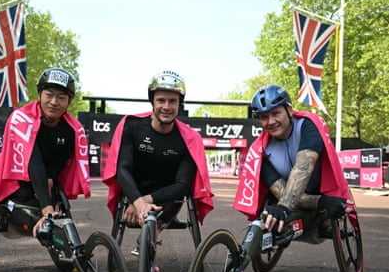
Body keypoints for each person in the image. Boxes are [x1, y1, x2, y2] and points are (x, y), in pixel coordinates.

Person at [0, 67, 90, 237]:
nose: (54, 102)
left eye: (61, 98)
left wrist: (50, 182)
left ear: (69, 102)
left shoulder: (72, 130)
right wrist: (46, 207)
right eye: (49, 95)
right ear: (39, 95)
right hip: (16, 174)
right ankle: (44, 210)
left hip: (45, 178)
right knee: (32, 158)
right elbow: (31, 158)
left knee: (53, 187)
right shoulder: (21, 118)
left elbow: (57, 164)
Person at [234, 84, 353, 239]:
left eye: (276, 113)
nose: (270, 122)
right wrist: (321, 202)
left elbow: (303, 168)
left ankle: (324, 221)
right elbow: (283, 192)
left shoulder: (308, 126)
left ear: (289, 110)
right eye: (264, 117)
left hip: (318, 187)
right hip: (295, 198)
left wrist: (283, 207)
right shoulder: (260, 150)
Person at [103, 70, 213, 235]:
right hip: (134, 191)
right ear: (152, 102)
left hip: (168, 198)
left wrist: (143, 202)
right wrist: (137, 200)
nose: (167, 107)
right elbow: (122, 169)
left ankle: (153, 231)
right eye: (161, 100)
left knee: (177, 192)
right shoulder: (131, 125)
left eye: (172, 101)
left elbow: (183, 185)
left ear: (179, 104)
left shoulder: (190, 139)